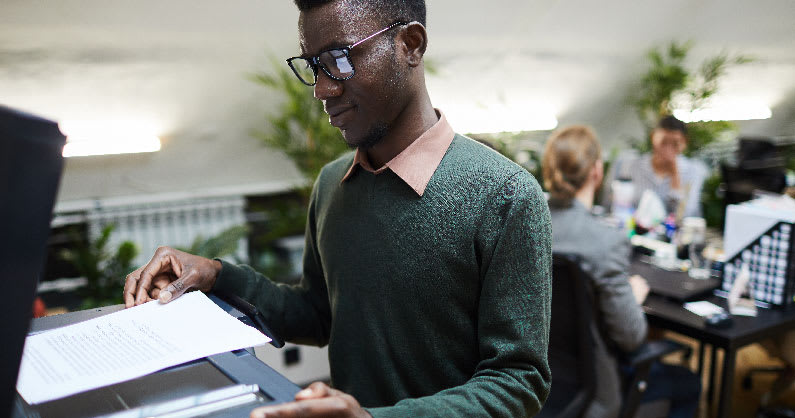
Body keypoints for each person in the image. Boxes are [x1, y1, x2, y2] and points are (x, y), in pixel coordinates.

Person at [123, 1, 553, 417]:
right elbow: (317, 314)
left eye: (340, 59)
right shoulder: (332, 184)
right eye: (313, 65)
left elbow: (518, 380)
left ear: (411, 45)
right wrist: (217, 275)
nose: (323, 89)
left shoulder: (505, 196)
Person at [543, 125, 701, 418]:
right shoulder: (605, 243)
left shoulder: (525, 225)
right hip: (592, 394)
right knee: (687, 383)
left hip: (534, 382)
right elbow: (631, 337)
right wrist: (632, 294)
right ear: (596, 172)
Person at [603, 115, 708, 219]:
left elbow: (685, 216)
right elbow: (609, 205)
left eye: (675, 144)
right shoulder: (630, 167)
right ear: (653, 137)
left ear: (684, 143)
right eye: (663, 142)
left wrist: (675, 176)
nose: (668, 149)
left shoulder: (693, 172)